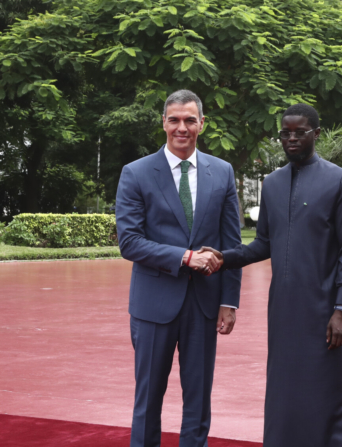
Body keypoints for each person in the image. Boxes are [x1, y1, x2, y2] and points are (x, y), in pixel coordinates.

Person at [201, 104, 342, 446]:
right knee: (284, 390)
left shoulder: (340, 181)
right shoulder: (272, 183)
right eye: (284, 133)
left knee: (325, 390)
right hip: (283, 311)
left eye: (298, 132)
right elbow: (262, 245)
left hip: (324, 311)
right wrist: (222, 258)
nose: (290, 138)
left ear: (316, 134)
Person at [115, 89, 242, 447]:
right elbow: (130, 242)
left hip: (205, 305)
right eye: (174, 120)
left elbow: (231, 244)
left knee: (198, 402)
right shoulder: (136, 173)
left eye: (189, 120)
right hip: (153, 305)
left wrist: (229, 301)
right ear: (164, 123)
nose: (181, 127)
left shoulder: (222, 172)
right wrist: (185, 257)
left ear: (202, 124)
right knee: (148, 400)